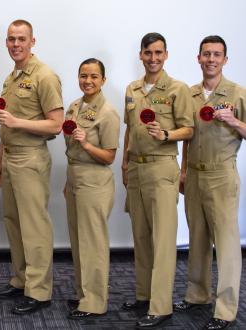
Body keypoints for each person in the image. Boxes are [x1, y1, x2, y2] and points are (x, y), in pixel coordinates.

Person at [0, 19, 64, 315]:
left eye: (21, 39)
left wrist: (17, 123)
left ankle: (39, 291)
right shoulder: (11, 78)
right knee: (14, 221)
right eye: (11, 39)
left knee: (34, 226)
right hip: (10, 157)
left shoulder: (44, 76)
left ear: (33, 41)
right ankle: (21, 279)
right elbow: (5, 126)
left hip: (31, 158)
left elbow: (56, 124)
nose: (16, 44)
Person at [120, 32, 194, 329]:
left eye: (158, 53)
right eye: (148, 53)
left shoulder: (178, 89)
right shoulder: (132, 89)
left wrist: (166, 135)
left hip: (162, 169)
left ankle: (160, 305)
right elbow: (129, 128)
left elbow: (188, 130)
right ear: (141, 55)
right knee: (141, 237)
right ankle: (144, 295)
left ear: (166, 55)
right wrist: (124, 162)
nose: (153, 58)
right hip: (136, 170)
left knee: (163, 240)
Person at [173, 35, 245, 330]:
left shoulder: (237, 93)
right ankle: (197, 294)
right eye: (206, 54)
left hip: (221, 174)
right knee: (198, 238)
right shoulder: (189, 95)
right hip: (194, 174)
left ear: (225, 60)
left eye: (217, 55)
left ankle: (225, 310)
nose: (211, 59)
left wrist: (235, 122)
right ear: (198, 58)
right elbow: (188, 133)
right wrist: (182, 170)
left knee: (226, 244)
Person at [63, 58, 119, 320]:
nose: (88, 81)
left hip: (95, 181)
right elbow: (70, 149)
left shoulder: (108, 112)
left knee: (93, 243)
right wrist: (68, 180)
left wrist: (86, 144)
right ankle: (83, 293)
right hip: (75, 177)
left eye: (94, 76)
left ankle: (95, 302)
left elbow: (109, 157)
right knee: (78, 241)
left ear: (103, 80)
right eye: (84, 75)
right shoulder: (74, 106)